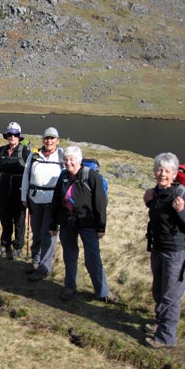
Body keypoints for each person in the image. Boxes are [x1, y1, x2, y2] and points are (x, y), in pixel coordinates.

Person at [143, 152, 185, 349]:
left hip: (175, 252)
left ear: (175, 174)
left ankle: (166, 338)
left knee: (171, 295)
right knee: (159, 291)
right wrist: (148, 202)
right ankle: (160, 324)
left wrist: (182, 211)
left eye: (167, 171)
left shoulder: (181, 194)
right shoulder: (156, 193)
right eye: (159, 170)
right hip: (158, 248)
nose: (162, 174)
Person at [49, 145, 118, 303]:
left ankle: (102, 292)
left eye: (71, 159)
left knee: (93, 258)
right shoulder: (63, 177)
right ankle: (70, 287)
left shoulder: (91, 176)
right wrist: (53, 224)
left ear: (78, 160)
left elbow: (100, 203)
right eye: (65, 159)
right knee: (70, 256)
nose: (68, 162)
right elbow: (56, 201)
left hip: (88, 224)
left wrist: (101, 227)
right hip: (67, 223)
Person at [21, 127, 64, 281]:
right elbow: (26, 176)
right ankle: (36, 262)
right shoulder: (34, 155)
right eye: (46, 138)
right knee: (37, 231)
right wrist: (24, 197)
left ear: (57, 140)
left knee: (49, 234)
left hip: (53, 202)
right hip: (35, 199)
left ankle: (44, 267)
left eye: (52, 138)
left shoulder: (62, 157)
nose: (49, 141)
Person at [0, 122, 31, 260]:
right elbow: (1, 169)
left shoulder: (25, 152)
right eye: (10, 134)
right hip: (4, 190)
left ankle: (18, 246)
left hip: (19, 191)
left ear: (19, 136)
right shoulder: (1, 150)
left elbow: (28, 172)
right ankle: (5, 244)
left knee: (19, 220)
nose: (12, 137)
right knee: (4, 217)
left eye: (15, 134)